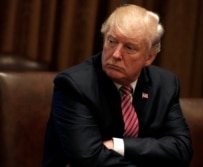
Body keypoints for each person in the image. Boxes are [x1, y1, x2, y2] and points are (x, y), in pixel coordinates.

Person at [42, 4, 193, 167]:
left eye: (129, 48)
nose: (115, 54)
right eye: (112, 41)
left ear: (149, 57)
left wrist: (118, 145)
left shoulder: (165, 85)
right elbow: (88, 159)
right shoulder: (74, 86)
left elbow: (181, 149)